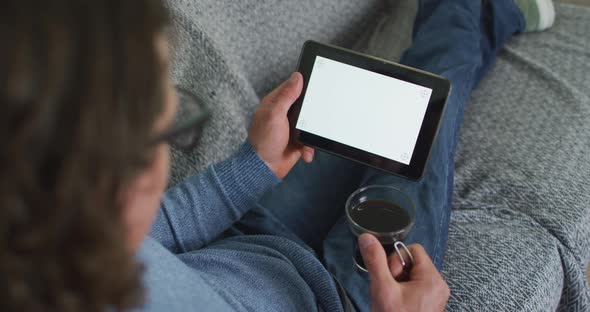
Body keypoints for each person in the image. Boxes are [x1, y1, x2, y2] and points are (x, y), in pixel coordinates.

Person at [0, 0, 554, 311]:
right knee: (437, 105)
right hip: (349, 299)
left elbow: (155, 231)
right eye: (169, 126)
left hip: (255, 238)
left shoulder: (54, 235)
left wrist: (254, 165)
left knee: (409, 104)